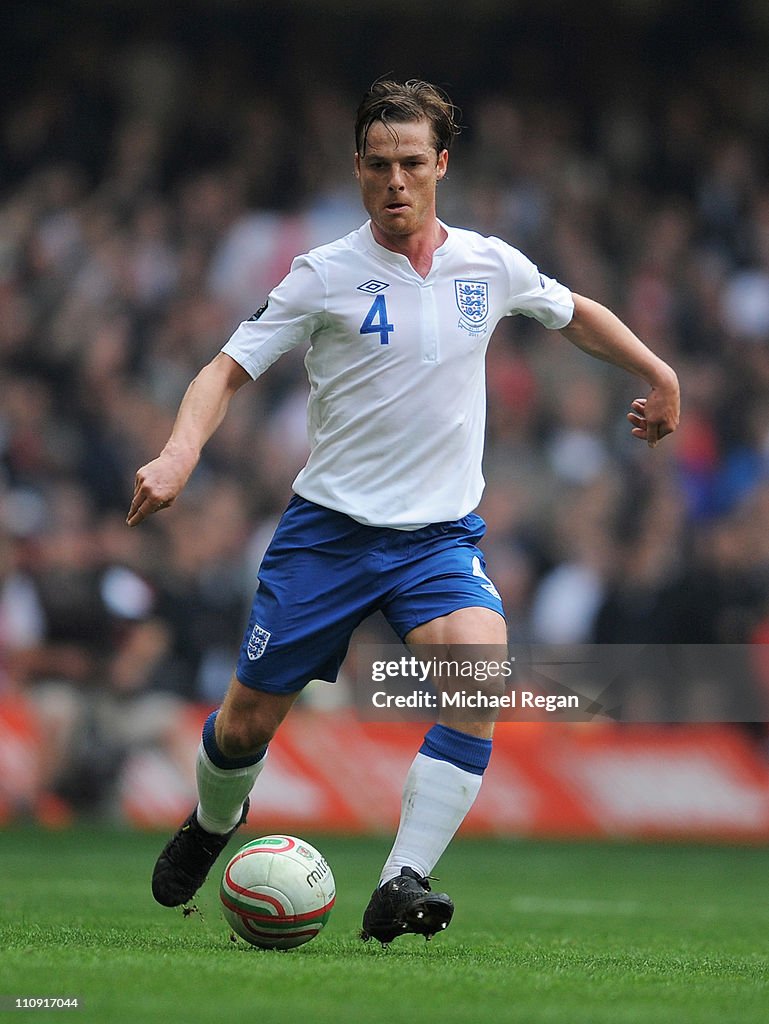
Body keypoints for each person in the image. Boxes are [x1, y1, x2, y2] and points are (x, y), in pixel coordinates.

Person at [127, 79, 680, 944]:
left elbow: (573, 315)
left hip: (435, 539)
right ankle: (210, 824)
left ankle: (400, 881)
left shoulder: (488, 265)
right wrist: (179, 450)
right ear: (356, 169)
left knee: (477, 677)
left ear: (441, 166)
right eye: (378, 164)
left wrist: (659, 374)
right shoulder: (323, 275)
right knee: (245, 725)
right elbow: (223, 371)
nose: (394, 181)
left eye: (411, 163)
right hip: (328, 536)